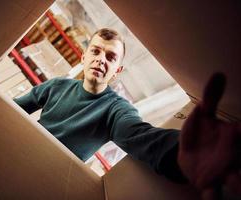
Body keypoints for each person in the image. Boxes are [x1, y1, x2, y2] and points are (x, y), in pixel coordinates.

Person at [14, 28, 240, 199]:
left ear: (117, 71)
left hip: (50, 181)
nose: (101, 59)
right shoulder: (56, 86)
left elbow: (140, 136)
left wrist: (182, 152)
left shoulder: (116, 109)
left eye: (111, 57)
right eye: (95, 51)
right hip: (19, 153)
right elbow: (14, 109)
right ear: (83, 57)